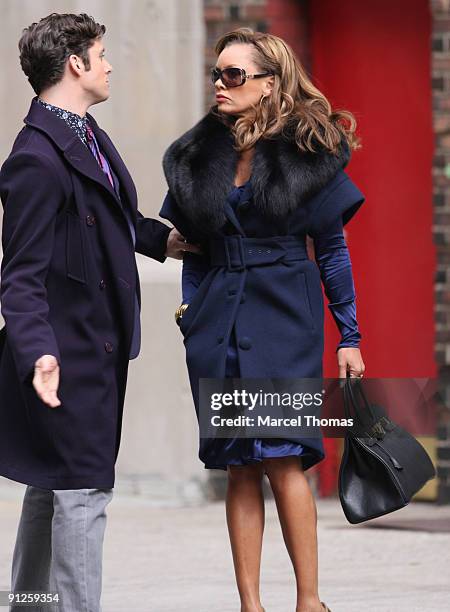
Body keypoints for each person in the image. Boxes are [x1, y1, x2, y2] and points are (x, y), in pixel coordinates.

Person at [160, 28, 366, 612]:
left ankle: (309, 601)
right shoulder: (197, 156)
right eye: (216, 75)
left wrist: (350, 334)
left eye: (234, 75)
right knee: (238, 464)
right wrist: (189, 315)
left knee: (282, 456)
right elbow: (193, 250)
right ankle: (250, 604)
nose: (220, 86)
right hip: (218, 319)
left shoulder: (307, 153)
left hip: (283, 314)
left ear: (269, 83)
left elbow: (331, 249)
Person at [0, 13, 198, 612]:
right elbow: (18, 276)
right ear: (75, 65)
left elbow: (111, 217)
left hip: (94, 345)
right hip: (65, 355)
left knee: (49, 486)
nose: (110, 65)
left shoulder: (86, 134)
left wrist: (162, 241)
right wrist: (38, 354)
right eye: (102, 54)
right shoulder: (37, 159)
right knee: (83, 494)